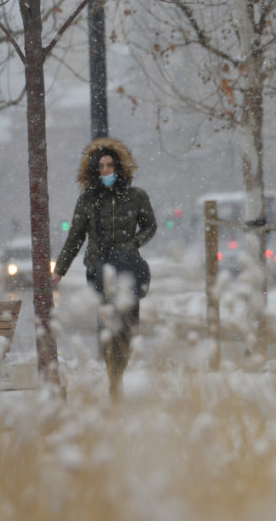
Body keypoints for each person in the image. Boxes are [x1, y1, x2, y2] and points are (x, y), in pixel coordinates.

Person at [52, 138, 157, 399]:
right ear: (94, 170)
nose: (106, 170)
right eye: (101, 166)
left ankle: (119, 370)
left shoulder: (136, 196)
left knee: (129, 326)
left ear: (120, 167)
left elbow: (150, 226)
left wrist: (133, 243)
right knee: (108, 326)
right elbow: (75, 237)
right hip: (99, 271)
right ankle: (114, 380)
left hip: (129, 269)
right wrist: (59, 270)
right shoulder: (88, 200)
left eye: (110, 165)